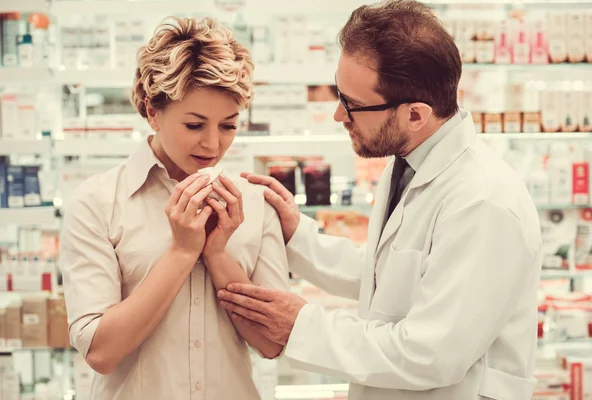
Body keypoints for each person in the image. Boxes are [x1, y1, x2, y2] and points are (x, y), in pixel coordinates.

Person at [218, 1, 543, 399]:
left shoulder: (483, 204)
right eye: (340, 94)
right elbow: (392, 274)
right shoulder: (410, 162)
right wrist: (296, 236)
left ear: (415, 115)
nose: (339, 115)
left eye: (352, 104)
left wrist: (300, 325)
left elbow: (430, 354)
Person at [60, 17, 288, 400]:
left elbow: (271, 343)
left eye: (229, 126)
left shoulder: (251, 202)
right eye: (195, 125)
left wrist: (217, 255)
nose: (213, 144)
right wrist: (182, 252)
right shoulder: (98, 202)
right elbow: (101, 352)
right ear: (152, 112)